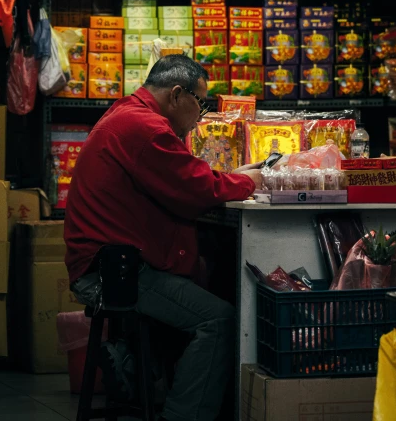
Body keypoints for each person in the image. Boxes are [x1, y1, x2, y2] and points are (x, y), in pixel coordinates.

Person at [64, 55, 262, 421]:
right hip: (115, 274)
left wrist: (229, 177)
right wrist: (253, 181)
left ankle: (132, 362)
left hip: (112, 265)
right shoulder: (147, 128)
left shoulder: (127, 114)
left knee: (196, 288)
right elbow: (195, 188)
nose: (201, 115)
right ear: (176, 94)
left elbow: (182, 179)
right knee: (217, 319)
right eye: (201, 103)